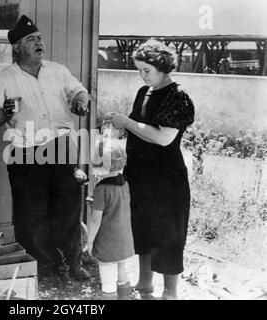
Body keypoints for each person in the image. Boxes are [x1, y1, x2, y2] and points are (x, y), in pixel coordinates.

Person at [0, 15, 90, 280]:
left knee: (68, 209)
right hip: (26, 153)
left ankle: (73, 263)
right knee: (31, 215)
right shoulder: (5, 79)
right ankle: (41, 268)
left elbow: (79, 91)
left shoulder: (57, 70)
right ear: (16, 47)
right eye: (31, 39)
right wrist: (3, 113)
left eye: (39, 38)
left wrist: (80, 101)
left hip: (62, 148)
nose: (39, 42)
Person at [107, 39, 195, 300]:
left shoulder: (178, 96)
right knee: (142, 228)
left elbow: (163, 138)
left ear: (163, 68)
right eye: (138, 69)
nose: (141, 75)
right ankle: (145, 283)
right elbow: (140, 130)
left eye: (146, 70)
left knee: (169, 233)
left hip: (167, 177)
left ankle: (170, 292)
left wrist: (127, 123)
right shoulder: (144, 92)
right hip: (140, 173)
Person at [87, 125, 135, 300]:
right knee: (122, 275)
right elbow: (115, 207)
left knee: (108, 283)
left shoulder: (101, 190)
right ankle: (125, 297)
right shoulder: (125, 185)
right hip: (124, 241)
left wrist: (90, 242)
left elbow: (95, 221)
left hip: (108, 243)